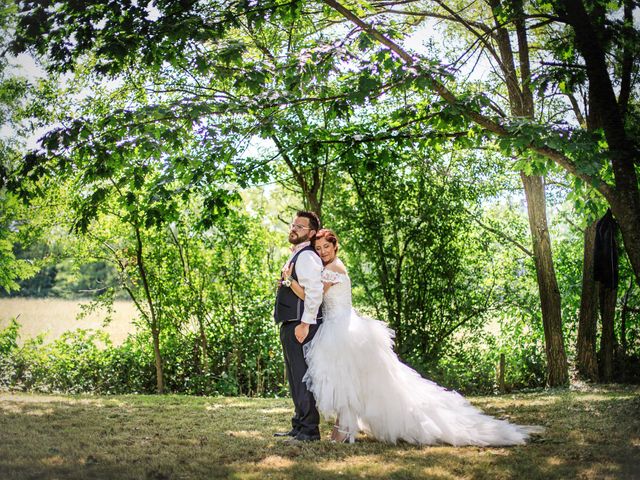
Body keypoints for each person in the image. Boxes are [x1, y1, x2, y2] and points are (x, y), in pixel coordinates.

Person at [283, 228, 537, 446]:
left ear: (336, 246)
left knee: (349, 383)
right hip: (335, 326)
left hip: (343, 329)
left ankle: (343, 431)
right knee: (345, 383)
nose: (323, 250)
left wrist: (288, 282)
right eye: (318, 247)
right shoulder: (326, 267)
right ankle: (343, 429)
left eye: (327, 246)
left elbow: (310, 297)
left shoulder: (334, 268)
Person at [273, 211, 324, 442]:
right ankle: (299, 425)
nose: (293, 228)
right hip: (291, 324)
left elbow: (314, 292)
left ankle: (309, 431)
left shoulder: (307, 257)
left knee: (302, 378)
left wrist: (305, 324)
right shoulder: (298, 255)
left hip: (300, 325)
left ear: (311, 233)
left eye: (300, 227)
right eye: (293, 224)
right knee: (295, 378)